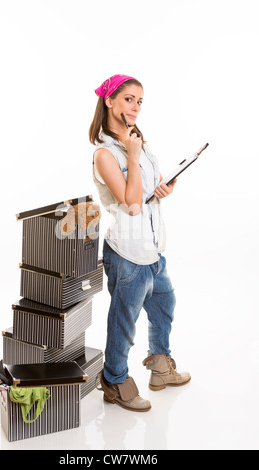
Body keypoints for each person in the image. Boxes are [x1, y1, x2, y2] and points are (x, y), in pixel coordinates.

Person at [89, 74, 191, 412]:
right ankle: (115, 380)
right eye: (129, 99)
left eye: (140, 101)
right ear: (110, 101)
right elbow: (131, 204)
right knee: (124, 321)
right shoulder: (106, 154)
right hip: (128, 254)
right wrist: (132, 156)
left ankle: (160, 366)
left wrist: (164, 187)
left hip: (152, 249)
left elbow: (149, 191)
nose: (136, 107)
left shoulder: (140, 144)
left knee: (164, 305)